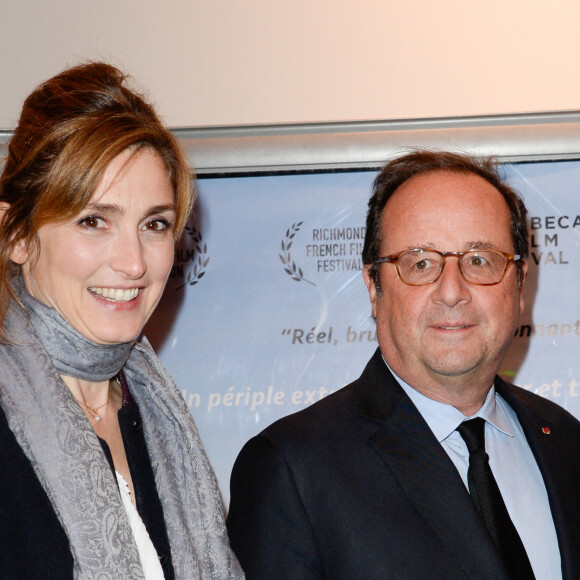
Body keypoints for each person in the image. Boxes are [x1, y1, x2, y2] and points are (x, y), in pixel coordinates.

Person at [227, 150, 580, 579]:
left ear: (520, 284)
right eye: (420, 263)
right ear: (373, 288)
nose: (452, 291)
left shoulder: (565, 443)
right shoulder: (292, 470)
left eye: (480, 260)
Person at [0, 62, 243, 579]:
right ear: (16, 234)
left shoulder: (157, 416)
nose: (134, 262)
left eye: (154, 224)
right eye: (94, 221)